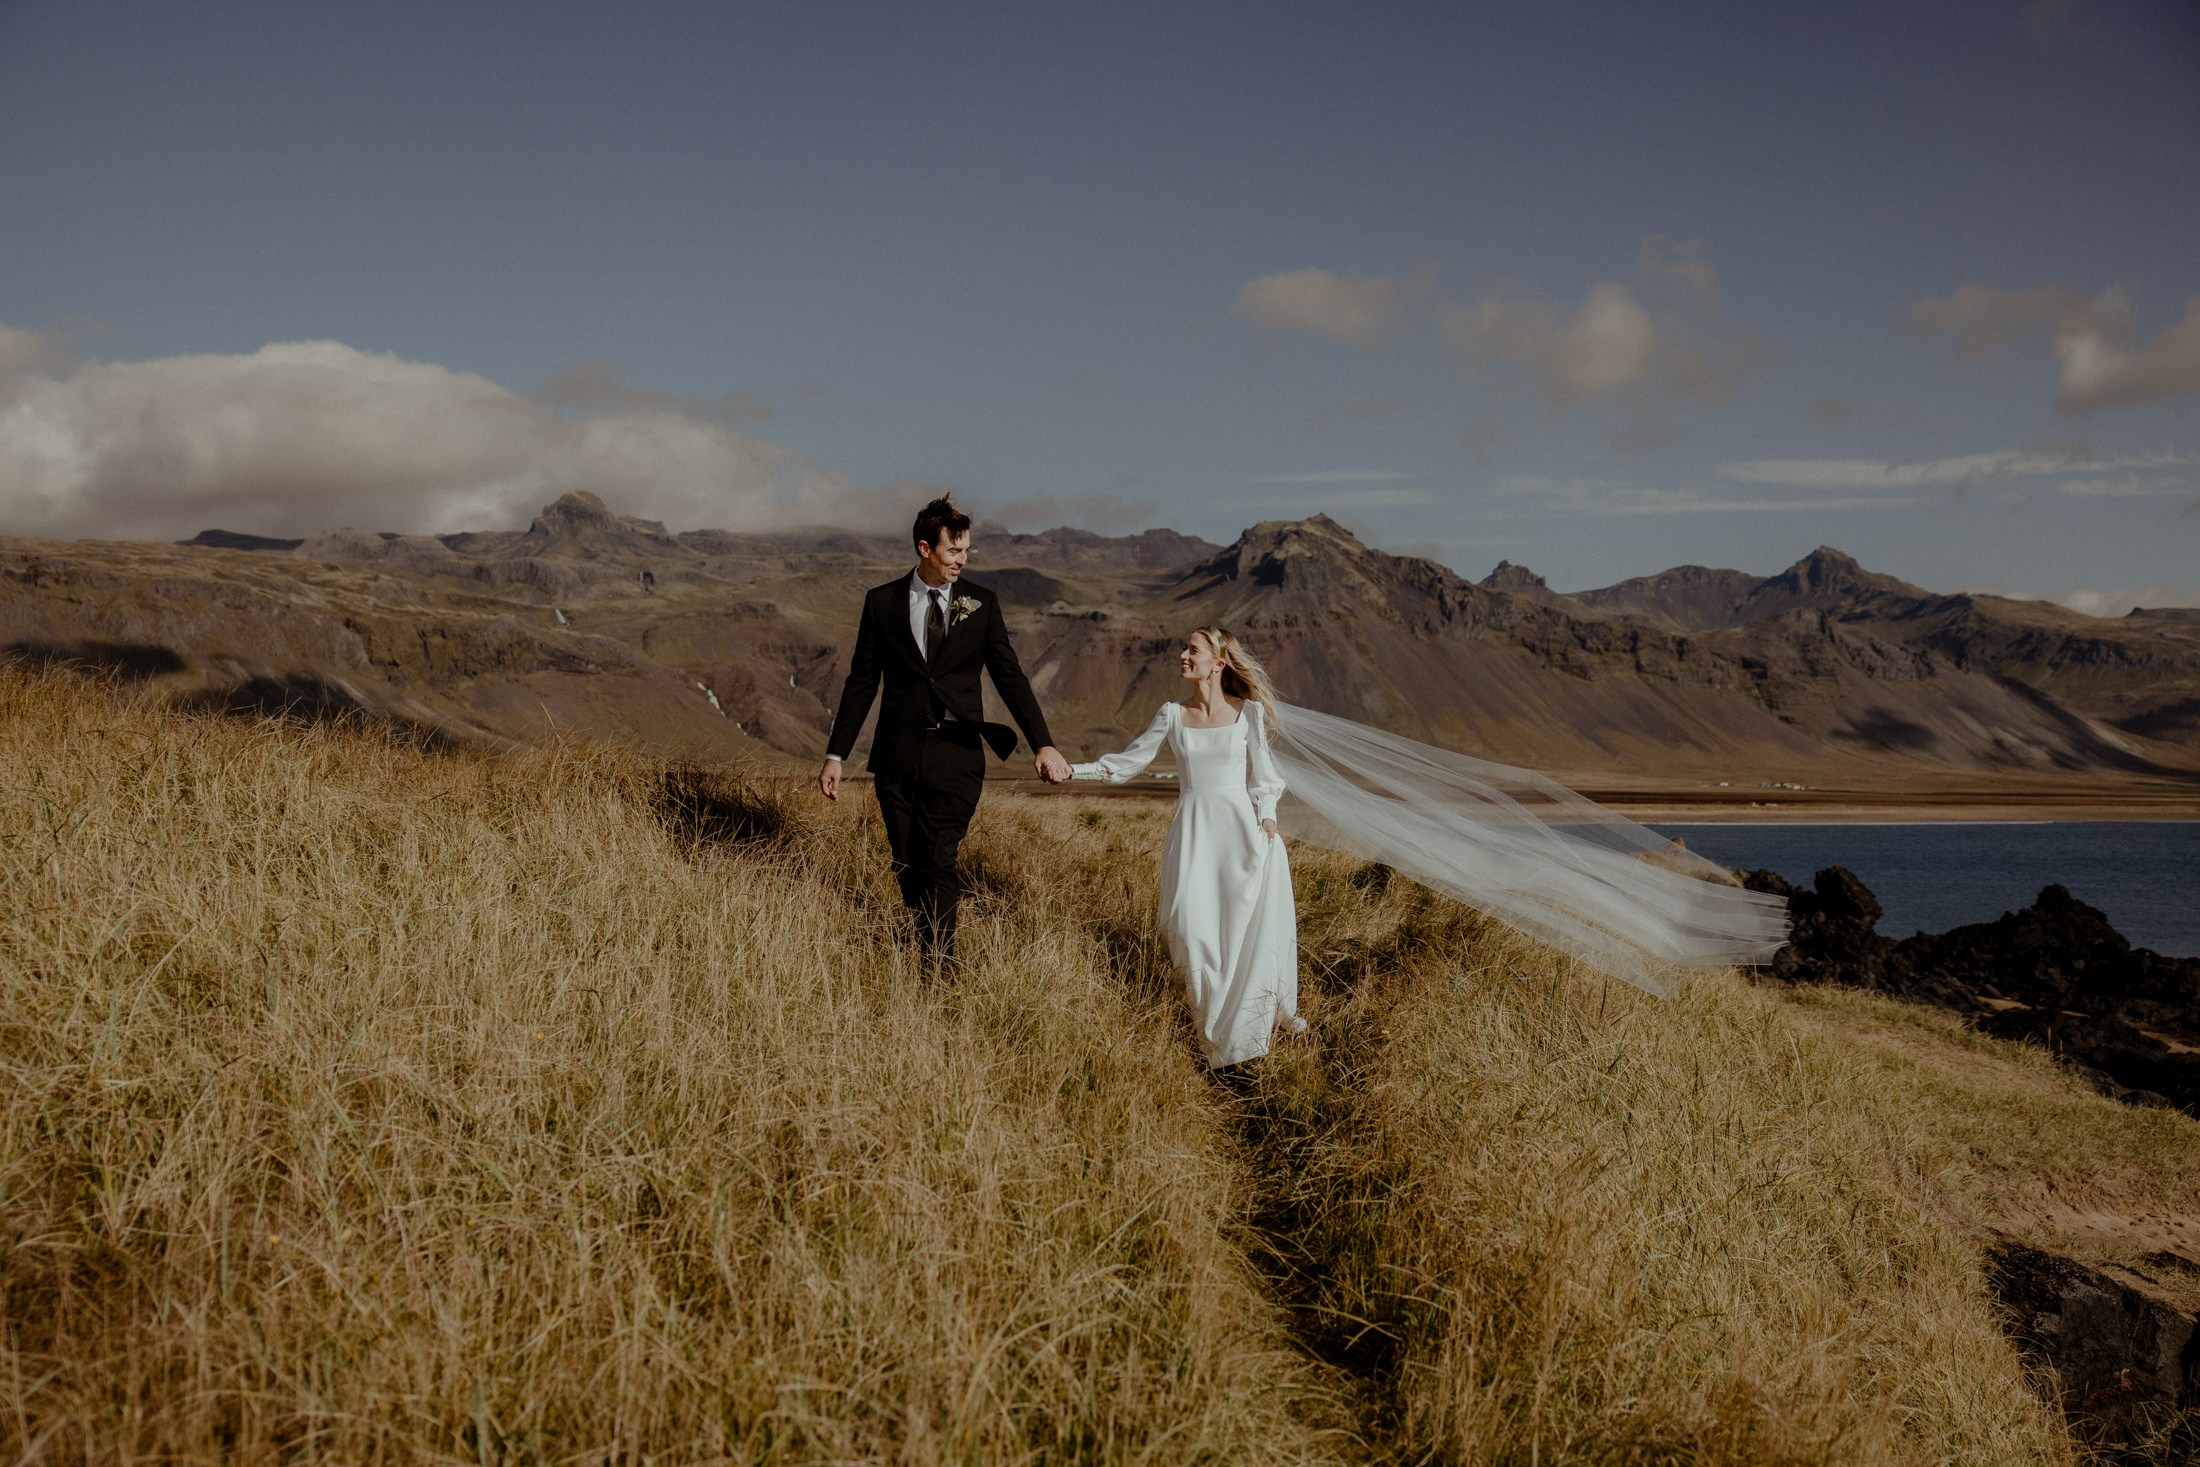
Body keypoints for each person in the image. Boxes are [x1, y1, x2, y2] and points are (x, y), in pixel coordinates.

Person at [818, 496, 1069, 970]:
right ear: (924, 548)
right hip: (895, 755)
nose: (962, 560)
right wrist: (836, 754)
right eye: (954, 551)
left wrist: (1043, 742)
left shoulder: (982, 604)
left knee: (939, 857)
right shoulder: (881, 603)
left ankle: (939, 968)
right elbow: (862, 682)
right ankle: (923, 939)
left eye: (967, 551)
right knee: (907, 861)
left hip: (956, 752)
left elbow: (1009, 676)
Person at [1069, 627, 1306, 1068]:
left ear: (1217, 664)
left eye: (1192, 650)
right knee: (1191, 932)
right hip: (1194, 836)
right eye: (1184, 649)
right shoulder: (1171, 714)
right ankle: (1212, 1035)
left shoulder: (1247, 714)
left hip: (1242, 837)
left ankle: (1238, 1046)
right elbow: (1125, 765)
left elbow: (1265, 778)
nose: (1182, 655)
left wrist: (1268, 818)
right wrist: (1072, 772)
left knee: (1239, 937)